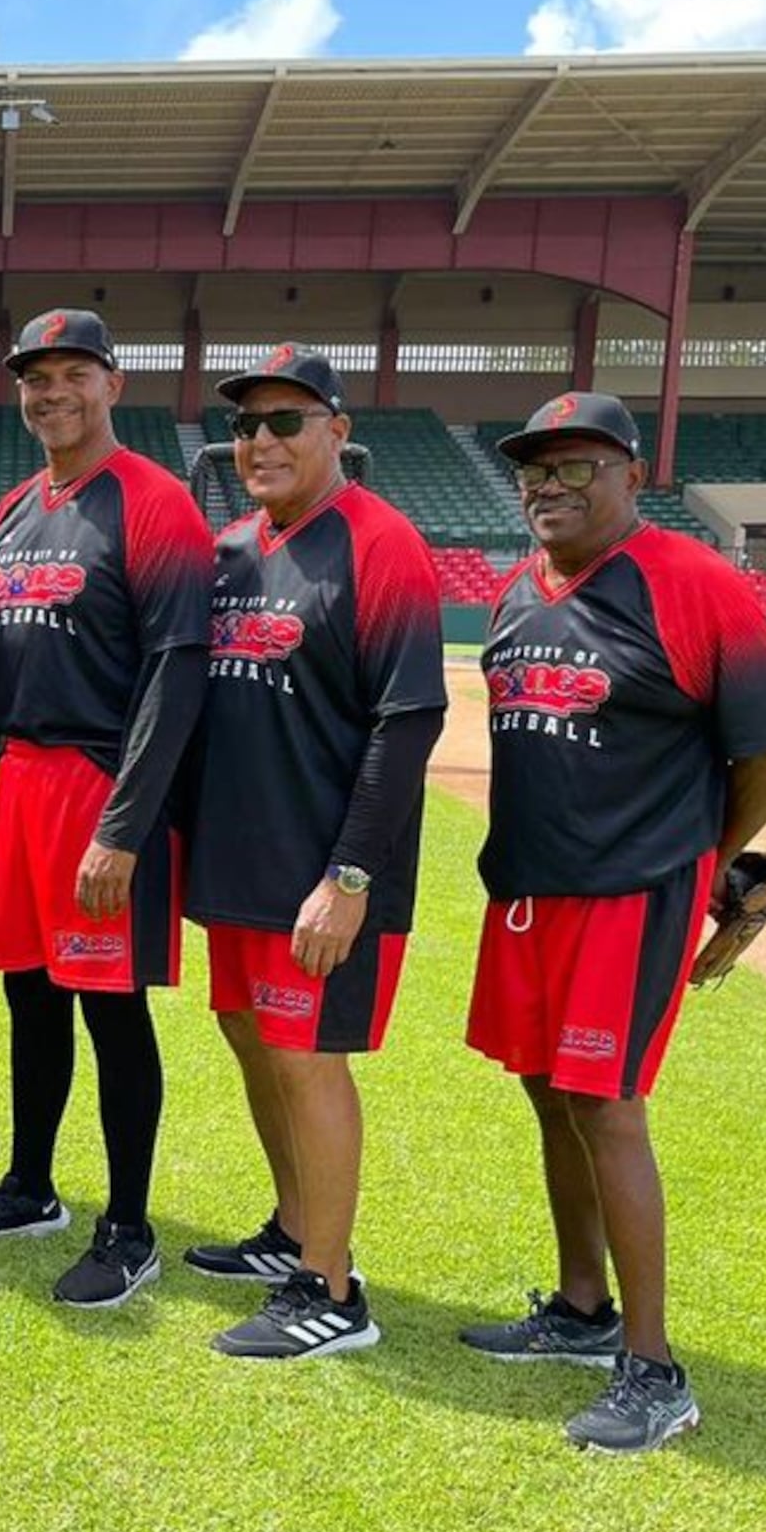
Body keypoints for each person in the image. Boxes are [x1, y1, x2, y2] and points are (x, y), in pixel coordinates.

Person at [459, 391, 766, 1451]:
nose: (547, 487)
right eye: (534, 470)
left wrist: (704, 864)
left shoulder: (692, 584)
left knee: (606, 1104)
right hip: (527, 889)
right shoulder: (519, 590)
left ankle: (653, 1369)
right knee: (548, 1094)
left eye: (574, 467)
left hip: (632, 890)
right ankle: (579, 1309)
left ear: (627, 476)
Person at [0, 309, 211, 1307]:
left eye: (71, 375)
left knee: (110, 1004)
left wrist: (126, 828)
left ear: (112, 382)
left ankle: (128, 1228)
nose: (50, 393)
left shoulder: (154, 504)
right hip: (23, 779)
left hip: (105, 784)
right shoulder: (11, 507)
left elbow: (176, 677)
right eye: (33, 378)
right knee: (28, 991)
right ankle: (27, 1185)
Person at [183, 345, 445, 1359]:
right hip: (242, 868)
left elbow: (408, 723)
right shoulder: (234, 549)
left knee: (307, 1065)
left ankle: (331, 1292)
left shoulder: (380, 544)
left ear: (338, 431)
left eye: (285, 421)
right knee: (251, 1042)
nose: (260, 441)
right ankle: (291, 1232)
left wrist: (348, 880)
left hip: (324, 877)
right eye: (246, 425)